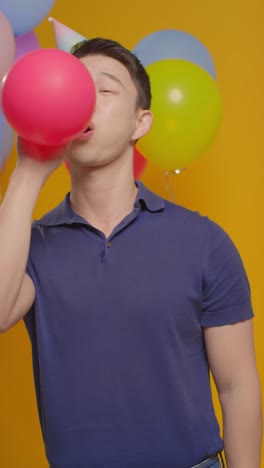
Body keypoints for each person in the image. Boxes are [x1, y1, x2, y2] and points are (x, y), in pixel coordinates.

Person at [0, 38, 262, 468]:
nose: (82, 102)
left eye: (102, 91)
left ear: (141, 123)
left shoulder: (205, 241)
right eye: (73, 89)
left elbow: (237, 388)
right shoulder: (31, 245)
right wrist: (28, 172)